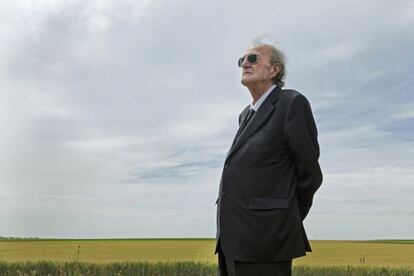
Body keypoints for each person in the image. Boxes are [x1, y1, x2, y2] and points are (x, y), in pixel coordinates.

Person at [214, 42, 323, 276]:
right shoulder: (245, 115)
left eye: (253, 58)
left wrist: (282, 218)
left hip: (266, 240)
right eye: (241, 60)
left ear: (274, 70)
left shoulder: (291, 103)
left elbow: (310, 174)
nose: (244, 63)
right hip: (232, 241)